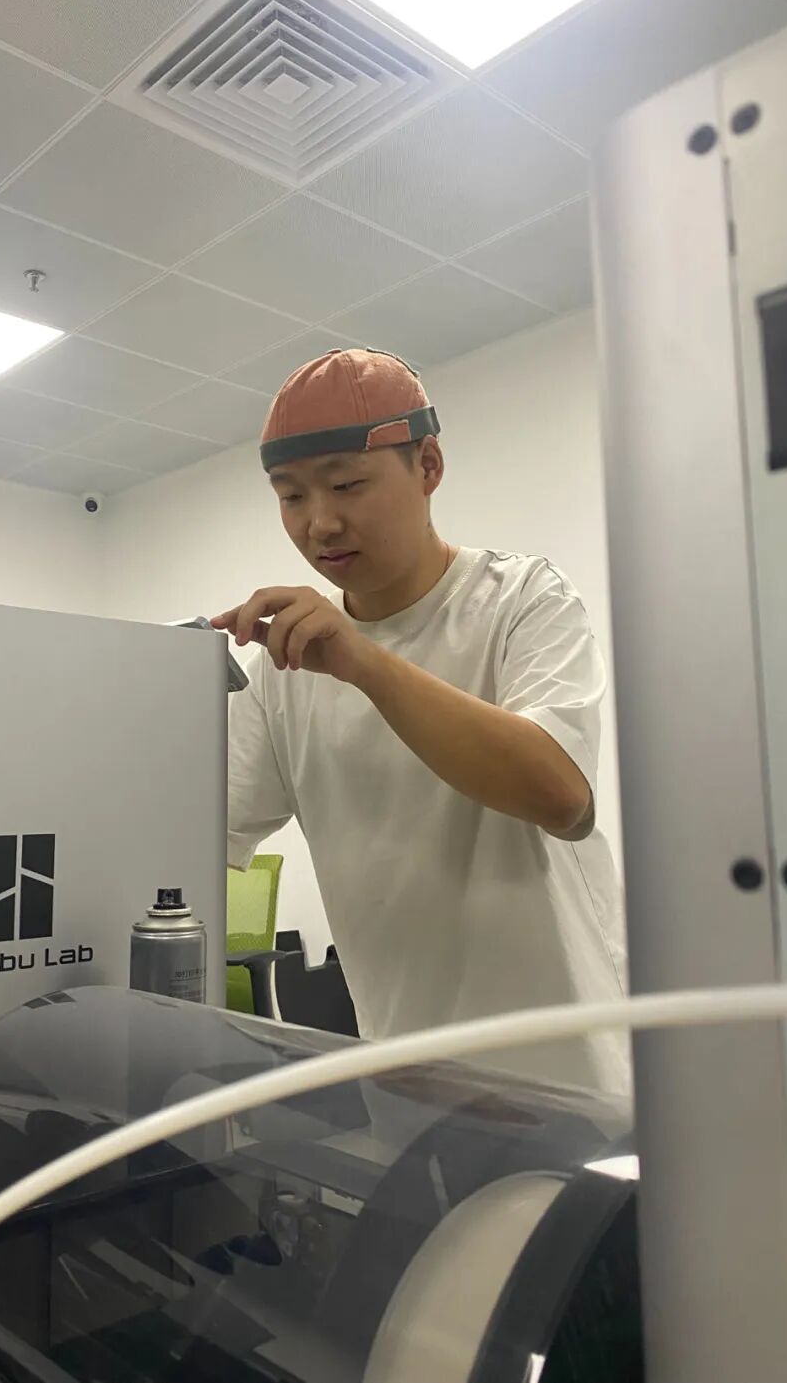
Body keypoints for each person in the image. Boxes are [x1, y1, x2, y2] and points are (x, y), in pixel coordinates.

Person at [212, 348, 628, 1092]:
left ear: (428, 465)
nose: (320, 523)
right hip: (409, 1080)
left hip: (574, 1071)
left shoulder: (521, 599)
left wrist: (363, 662)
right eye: (291, 496)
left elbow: (560, 793)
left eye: (347, 484)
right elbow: (201, 841)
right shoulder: (283, 671)